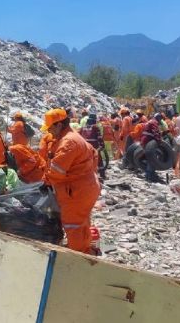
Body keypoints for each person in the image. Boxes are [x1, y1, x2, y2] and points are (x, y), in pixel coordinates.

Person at [42, 108, 101, 254]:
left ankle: (79, 258)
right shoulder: (71, 137)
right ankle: (86, 250)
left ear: (59, 125)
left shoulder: (68, 142)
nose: (49, 131)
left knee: (73, 226)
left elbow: (57, 172)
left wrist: (45, 179)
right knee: (81, 224)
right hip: (84, 188)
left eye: (50, 128)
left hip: (76, 192)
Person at [141, 113, 163, 182]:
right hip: (149, 141)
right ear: (158, 118)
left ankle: (149, 174)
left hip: (145, 140)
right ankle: (150, 175)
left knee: (149, 157)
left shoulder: (150, 121)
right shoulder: (154, 122)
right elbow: (155, 132)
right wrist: (159, 141)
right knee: (152, 158)